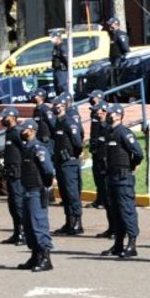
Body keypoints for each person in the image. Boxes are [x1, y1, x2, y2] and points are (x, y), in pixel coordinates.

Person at [101, 102, 144, 258]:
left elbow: (138, 153)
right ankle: (118, 244)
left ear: (118, 115)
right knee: (115, 211)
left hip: (123, 177)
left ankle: (132, 244)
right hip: (112, 177)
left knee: (127, 210)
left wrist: (132, 165)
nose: (107, 115)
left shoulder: (124, 133)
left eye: (110, 113)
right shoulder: (109, 132)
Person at [17, 119, 56, 272]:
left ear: (32, 130)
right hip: (27, 189)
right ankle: (35, 256)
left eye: (24, 129)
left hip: (36, 191)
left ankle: (46, 258)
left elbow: (47, 170)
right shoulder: (27, 147)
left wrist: (46, 186)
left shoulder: (38, 148)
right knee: (28, 225)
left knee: (38, 224)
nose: (22, 132)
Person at [51, 96, 84, 235]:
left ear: (64, 106)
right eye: (54, 106)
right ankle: (69, 222)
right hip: (60, 162)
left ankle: (77, 223)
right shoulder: (57, 123)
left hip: (69, 162)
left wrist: (72, 156)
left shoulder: (69, 123)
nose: (56, 108)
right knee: (64, 193)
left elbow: (77, 144)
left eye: (58, 106)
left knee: (72, 193)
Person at [0, 107, 26, 246]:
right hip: (10, 172)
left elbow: (26, 151)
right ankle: (17, 232)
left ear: (13, 117)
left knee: (18, 204)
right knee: (12, 205)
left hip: (18, 173)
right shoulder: (9, 132)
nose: (3, 119)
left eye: (5, 117)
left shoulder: (17, 132)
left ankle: (23, 233)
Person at [88, 100, 111, 216]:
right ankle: (100, 199)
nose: (96, 113)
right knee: (98, 180)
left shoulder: (109, 127)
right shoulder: (97, 121)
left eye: (98, 110)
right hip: (98, 155)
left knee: (106, 184)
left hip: (106, 160)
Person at [106, 18, 132, 91]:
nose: (109, 26)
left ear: (116, 24)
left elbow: (125, 48)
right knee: (113, 79)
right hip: (113, 60)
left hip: (119, 59)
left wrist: (123, 58)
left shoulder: (120, 34)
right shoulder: (113, 35)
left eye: (111, 24)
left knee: (117, 78)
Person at [50, 29, 68, 95]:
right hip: (56, 70)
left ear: (58, 38)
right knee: (57, 87)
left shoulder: (62, 47)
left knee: (62, 86)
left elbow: (66, 60)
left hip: (62, 70)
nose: (51, 39)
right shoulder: (55, 47)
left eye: (53, 37)